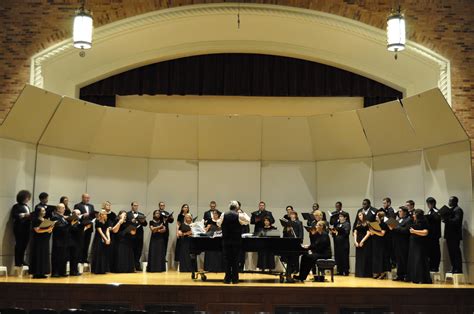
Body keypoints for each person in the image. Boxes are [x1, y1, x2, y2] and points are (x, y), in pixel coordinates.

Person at [217, 200, 250, 284]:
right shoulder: (239, 215)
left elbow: (218, 224)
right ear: (237, 207)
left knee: (227, 260)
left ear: (229, 207)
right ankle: (235, 279)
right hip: (236, 241)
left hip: (226, 241)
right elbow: (248, 221)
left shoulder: (223, 214)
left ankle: (227, 279)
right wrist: (242, 212)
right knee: (235, 260)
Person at [407, 209, 432, 284]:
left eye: (414, 214)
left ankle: (421, 278)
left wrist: (414, 231)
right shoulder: (414, 221)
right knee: (414, 261)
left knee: (419, 261)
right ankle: (414, 278)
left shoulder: (424, 222)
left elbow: (425, 232)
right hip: (413, 243)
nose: (413, 215)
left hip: (420, 244)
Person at [29, 206, 54, 278]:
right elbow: (37, 230)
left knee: (44, 256)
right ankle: (37, 273)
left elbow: (46, 229)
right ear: (39, 212)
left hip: (44, 240)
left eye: (44, 210)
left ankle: (42, 272)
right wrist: (47, 230)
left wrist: (50, 229)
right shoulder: (35, 220)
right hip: (38, 240)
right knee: (38, 255)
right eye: (43, 211)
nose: (45, 212)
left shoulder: (44, 219)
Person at [389, 206, 412, 281]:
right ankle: (400, 275)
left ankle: (406, 275)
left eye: (400, 211)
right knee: (398, 260)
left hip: (404, 243)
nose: (398, 213)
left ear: (404, 212)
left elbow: (406, 230)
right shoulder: (399, 220)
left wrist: (395, 227)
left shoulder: (408, 219)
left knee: (404, 259)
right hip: (397, 242)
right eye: (398, 211)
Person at [10, 190, 32, 268]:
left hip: (27, 227)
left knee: (24, 244)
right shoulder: (16, 206)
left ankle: (22, 259)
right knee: (19, 244)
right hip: (19, 228)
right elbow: (14, 215)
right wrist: (23, 215)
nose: (28, 199)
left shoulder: (27, 206)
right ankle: (18, 262)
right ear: (22, 197)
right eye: (27, 197)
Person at [442, 196, 464, 274]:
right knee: (451, 253)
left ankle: (458, 268)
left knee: (455, 252)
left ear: (455, 202)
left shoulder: (458, 210)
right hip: (449, 235)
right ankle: (454, 267)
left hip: (454, 235)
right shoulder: (451, 210)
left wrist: (447, 220)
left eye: (450, 201)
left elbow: (457, 221)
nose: (449, 202)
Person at [282, 210, 303, 282]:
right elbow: (284, 234)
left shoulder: (299, 222)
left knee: (294, 258)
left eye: (293, 214)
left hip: (296, 242)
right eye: (291, 214)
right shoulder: (287, 223)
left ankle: (294, 271)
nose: (292, 216)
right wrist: (287, 230)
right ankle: (288, 274)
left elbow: (301, 232)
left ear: (296, 215)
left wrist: (300, 240)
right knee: (289, 259)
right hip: (289, 243)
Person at [50, 203, 70, 277]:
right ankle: (55, 272)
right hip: (58, 240)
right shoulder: (55, 217)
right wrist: (69, 224)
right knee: (57, 256)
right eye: (63, 208)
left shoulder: (63, 217)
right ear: (58, 209)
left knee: (63, 256)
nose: (64, 209)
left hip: (64, 240)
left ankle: (62, 271)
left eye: (64, 207)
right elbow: (59, 227)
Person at [74, 193, 95, 263]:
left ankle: (85, 259)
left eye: (88, 198)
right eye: (86, 198)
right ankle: (79, 259)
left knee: (87, 243)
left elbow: (93, 216)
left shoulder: (91, 206)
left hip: (89, 227)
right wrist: (83, 215)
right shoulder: (77, 205)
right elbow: (75, 217)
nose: (87, 199)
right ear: (82, 198)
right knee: (81, 243)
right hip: (81, 227)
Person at [369, 210, 390, 279]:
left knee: (382, 258)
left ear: (381, 217)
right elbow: (371, 233)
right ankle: (377, 272)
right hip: (375, 242)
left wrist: (374, 231)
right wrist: (372, 231)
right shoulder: (375, 224)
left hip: (382, 242)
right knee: (376, 258)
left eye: (377, 216)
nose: (376, 217)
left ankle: (383, 273)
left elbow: (382, 234)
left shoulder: (384, 224)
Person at [127, 201, 147, 271]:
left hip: (139, 235)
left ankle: (137, 265)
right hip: (131, 234)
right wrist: (131, 221)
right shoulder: (128, 214)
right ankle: (131, 265)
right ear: (131, 206)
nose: (136, 207)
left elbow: (145, 224)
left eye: (137, 205)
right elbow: (126, 223)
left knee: (139, 250)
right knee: (131, 249)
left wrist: (143, 221)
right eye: (134, 205)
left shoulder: (141, 214)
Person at [91, 210, 111, 274]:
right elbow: (100, 232)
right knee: (99, 253)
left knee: (104, 253)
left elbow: (107, 230)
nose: (105, 215)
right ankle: (97, 269)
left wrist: (109, 239)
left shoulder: (106, 221)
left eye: (105, 214)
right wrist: (105, 239)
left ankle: (103, 269)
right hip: (98, 238)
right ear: (101, 215)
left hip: (105, 238)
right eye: (104, 214)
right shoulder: (97, 221)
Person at [330, 211, 350, 276]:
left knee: (344, 257)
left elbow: (346, 233)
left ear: (345, 218)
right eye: (339, 216)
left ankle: (345, 271)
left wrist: (338, 232)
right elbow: (335, 232)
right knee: (338, 257)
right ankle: (340, 270)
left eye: (341, 216)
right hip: (337, 243)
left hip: (344, 243)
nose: (340, 218)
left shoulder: (347, 224)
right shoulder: (338, 224)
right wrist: (333, 232)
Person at [353, 211, 372, 278]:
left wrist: (362, 241)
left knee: (365, 257)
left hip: (365, 241)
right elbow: (355, 232)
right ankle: (359, 273)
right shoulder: (358, 223)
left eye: (360, 215)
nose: (359, 216)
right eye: (358, 215)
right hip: (358, 241)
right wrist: (355, 241)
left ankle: (365, 273)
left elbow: (368, 233)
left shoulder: (367, 223)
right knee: (359, 257)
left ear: (363, 215)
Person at [425, 197, 441, 272]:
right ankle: (431, 266)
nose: (428, 205)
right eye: (428, 204)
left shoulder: (436, 211)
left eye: (429, 204)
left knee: (435, 251)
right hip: (429, 235)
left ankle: (435, 266)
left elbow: (437, 219)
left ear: (433, 204)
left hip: (434, 235)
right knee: (430, 252)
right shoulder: (429, 211)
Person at [380, 197, 396, 268]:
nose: (383, 204)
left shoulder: (391, 210)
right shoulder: (385, 210)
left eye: (385, 203)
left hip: (390, 233)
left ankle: (393, 263)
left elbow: (392, 223)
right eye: (383, 203)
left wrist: (383, 216)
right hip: (386, 233)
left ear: (389, 203)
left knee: (390, 249)